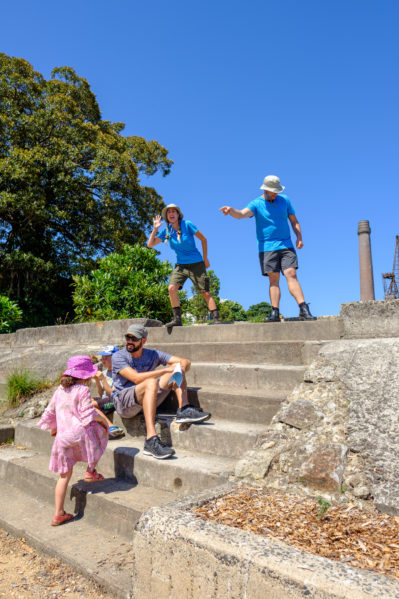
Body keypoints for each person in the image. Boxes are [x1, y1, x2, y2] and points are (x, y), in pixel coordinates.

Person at [219, 175, 316, 322]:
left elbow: (294, 221)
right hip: (267, 247)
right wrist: (231, 210)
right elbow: (241, 214)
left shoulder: (285, 200)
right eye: (272, 191)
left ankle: (303, 309)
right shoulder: (257, 204)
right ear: (265, 189)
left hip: (286, 244)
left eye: (276, 191)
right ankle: (275, 312)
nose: (275, 193)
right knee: (274, 279)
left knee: (291, 274)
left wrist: (299, 237)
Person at [111, 323, 211, 459]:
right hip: (124, 403)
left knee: (177, 367)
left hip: (147, 398)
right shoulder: (118, 356)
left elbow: (185, 361)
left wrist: (181, 367)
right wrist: (164, 370)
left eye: (134, 339)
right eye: (127, 337)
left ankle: (184, 408)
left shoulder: (153, 354)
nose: (129, 341)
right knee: (151, 381)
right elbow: (136, 378)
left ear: (143, 340)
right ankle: (151, 439)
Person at [37, 355, 109, 526]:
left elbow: (51, 411)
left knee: (64, 476)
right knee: (101, 434)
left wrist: (53, 428)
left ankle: (58, 513)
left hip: (63, 437)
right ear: (85, 375)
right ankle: (91, 470)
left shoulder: (59, 391)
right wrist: (104, 422)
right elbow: (87, 414)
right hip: (79, 434)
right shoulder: (83, 390)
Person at [147, 203, 220, 327]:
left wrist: (205, 258)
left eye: (173, 211)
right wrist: (155, 229)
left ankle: (216, 319)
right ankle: (177, 320)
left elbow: (203, 239)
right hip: (181, 266)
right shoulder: (167, 231)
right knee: (171, 288)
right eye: (169, 212)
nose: (171, 214)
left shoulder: (187, 225)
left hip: (197, 263)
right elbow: (150, 244)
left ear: (178, 214)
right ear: (166, 216)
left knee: (205, 293)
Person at [92, 345, 123, 439]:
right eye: (102, 358)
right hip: (106, 400)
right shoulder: (105, 372)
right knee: (83, 401)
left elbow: (112, 394)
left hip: (114, 401)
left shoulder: (119, 372)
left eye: (106, 358)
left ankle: (110, 427)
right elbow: (101, 394)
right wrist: (97, 380)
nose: (103, 361)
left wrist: (103, 379)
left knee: (90, 405)